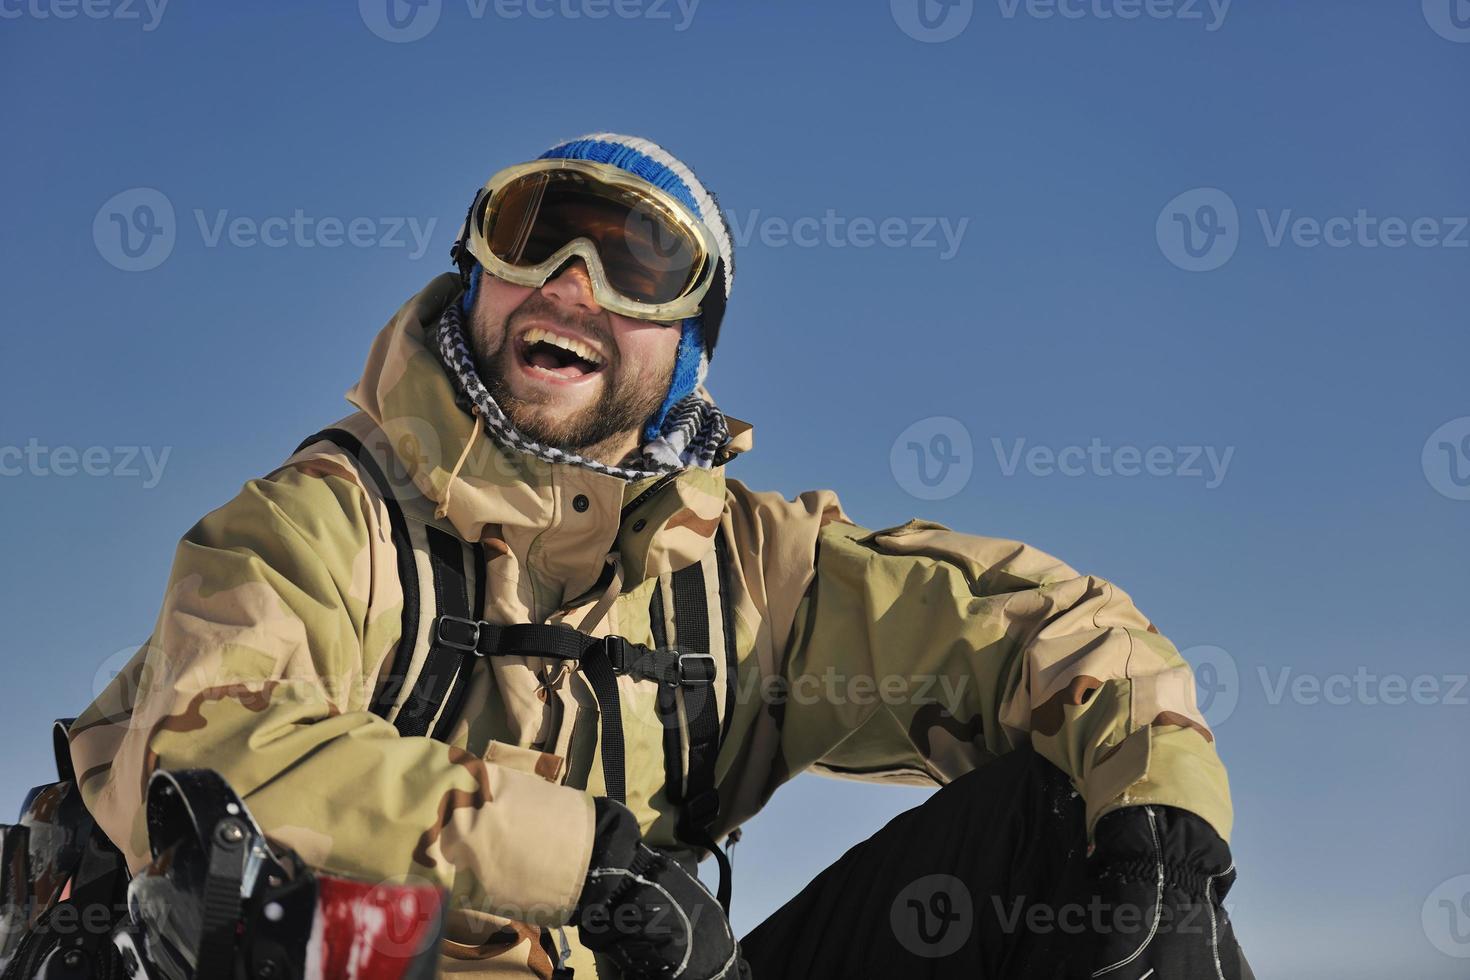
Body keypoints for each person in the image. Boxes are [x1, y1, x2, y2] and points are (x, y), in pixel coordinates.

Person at [67, 134, 1250, 979]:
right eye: (537, 238)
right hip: (366, 964)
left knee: (1067, 819)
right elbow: (216, 743)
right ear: (478, 278)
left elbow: (1034, 628)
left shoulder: (746, 572)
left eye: (634, 262)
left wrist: (1171, 836)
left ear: (689, 346)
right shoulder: (320, 521)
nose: (570, 284)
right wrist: (593, 868)